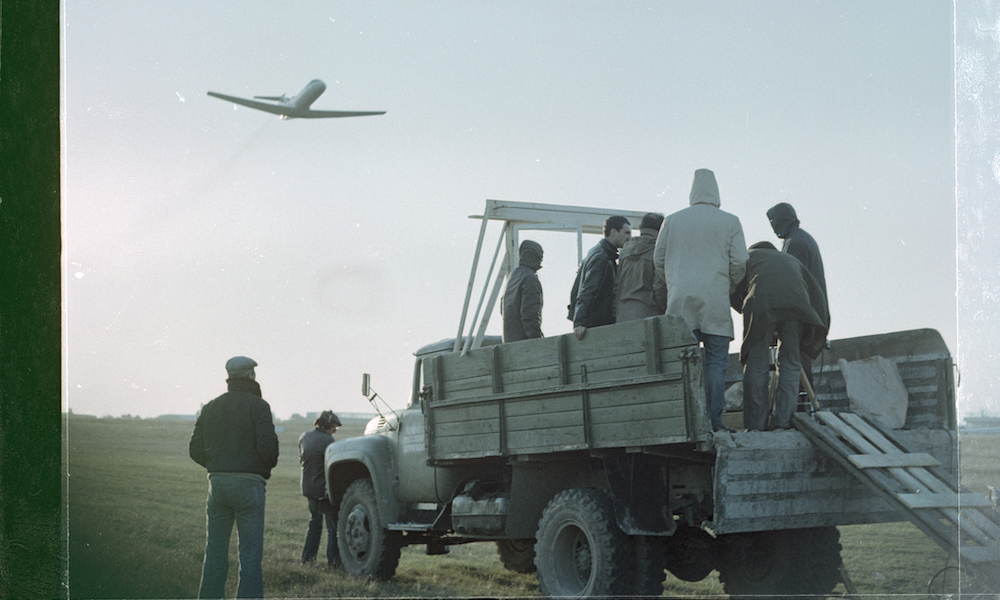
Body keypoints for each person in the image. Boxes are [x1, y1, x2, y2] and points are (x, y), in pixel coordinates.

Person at [653, 169, 748, 432]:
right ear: (716, 192)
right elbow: (740, 261)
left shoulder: (672, 220)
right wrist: (726, 285)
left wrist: (675, 282)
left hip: (680, 299)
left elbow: (658, 260)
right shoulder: (729, 220)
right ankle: (715, 422)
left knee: (685, 361)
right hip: (715, 297)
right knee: (716, 361)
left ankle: (689, 423)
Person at [189, 356, 279, 599]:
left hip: (216, 485)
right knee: (249, 557)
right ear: (250, 375)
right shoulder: (259, 406)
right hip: (249, 485)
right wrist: (256, 468)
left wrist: (218, 465)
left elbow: (195, 450)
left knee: (214, 553)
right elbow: (269, 451)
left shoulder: (210, 406)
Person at [730, 242, 830, 431]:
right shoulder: (790, 260)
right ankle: (784, 423)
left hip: (761, 303)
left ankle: (755, 427)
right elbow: (815, 293)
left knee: (756, 363)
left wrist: (745, 311)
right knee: (790, 364)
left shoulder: (748, 256)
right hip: (797, 306)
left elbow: (733, 288)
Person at [766, 202, 829, 388]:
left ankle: (801, 409)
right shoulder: (802, 239)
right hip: (813, 311)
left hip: (803, 313)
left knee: (796, 361)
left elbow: (791, 287)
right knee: (801, 359)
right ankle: (803, 407)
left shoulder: (794, 244)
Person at [568, 215, 632, 340]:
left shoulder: (597, 253)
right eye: (627, 233)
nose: (630, 238)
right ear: (613, 232)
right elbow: (588, 289)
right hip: (595, 326)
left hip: (593, 324)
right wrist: (580, 323)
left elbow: (577, 289)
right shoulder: (602, 257)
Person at [299, 410, 342, 567]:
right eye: (334, 428)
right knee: (333, 528)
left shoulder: (304, 437)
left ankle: (308, 559)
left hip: (309, 489)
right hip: (324, 491)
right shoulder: (329, 442)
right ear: (327, 426)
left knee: (314, 524)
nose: (335, 431)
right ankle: (334, 562)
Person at [614, 212, 667, 322]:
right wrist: (665, 310)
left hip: (622, 316)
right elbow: (659, 287)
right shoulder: (658, 251)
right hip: (648, 315)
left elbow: (616, 285)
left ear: (641, 228)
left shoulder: (624, 251)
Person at [501, 240, 544, 342]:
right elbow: (530, 314)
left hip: (510, 341)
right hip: (524, 343)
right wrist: (537, 341)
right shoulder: (530, 278)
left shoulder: (513, 277)